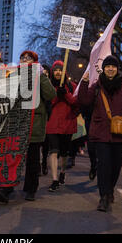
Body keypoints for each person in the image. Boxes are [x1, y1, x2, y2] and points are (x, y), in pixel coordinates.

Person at [78, 55, 122, 212]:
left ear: (117, 68)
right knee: (104, 166)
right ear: (104, 68)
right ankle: (104, 197)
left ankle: (109, 189)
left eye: (113, 66)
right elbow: (84, 102)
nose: (110, 69)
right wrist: (84, 83)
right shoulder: (97, 86)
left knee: (115, 166)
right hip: (101, 132)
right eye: (107, 66)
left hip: (121, 134)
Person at [0, 50, 56, 202]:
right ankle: (6, 188)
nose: (25, 60)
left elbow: (51, 95)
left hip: (34, 123)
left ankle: (30, 189)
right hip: (16, 123)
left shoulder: (39, 76)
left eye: (29, 58)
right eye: (22, 58)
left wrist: (41, 77)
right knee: (12, 156)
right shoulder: (14, 75)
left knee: (33, 160)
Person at [45, 61, 78, 192]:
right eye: (56, 70)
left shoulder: (72, 86)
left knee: (64, 153)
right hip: (52, 123)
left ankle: (62, 172)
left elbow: (76, 103)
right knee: (53, 151)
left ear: (64, 72)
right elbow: (47, 103)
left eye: (60, 70)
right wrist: (55, 95)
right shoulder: (48, 86)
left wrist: (66, 94)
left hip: (67, 124)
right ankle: (54, 179)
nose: (58, 72)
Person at [40, 64, 51, 176]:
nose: (45, 74)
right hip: (39, 120)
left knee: (46, 145)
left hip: (48, 119)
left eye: (46, 73)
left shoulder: (50, 86)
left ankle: (44, 164)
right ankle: (39, 165)